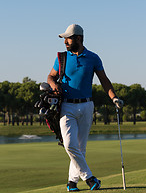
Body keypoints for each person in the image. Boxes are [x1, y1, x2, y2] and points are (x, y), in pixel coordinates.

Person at [47, 24, 124, 191]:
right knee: (69, 145)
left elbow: (104, 80)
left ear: (78, 38)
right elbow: (51, 76)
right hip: (67, 106)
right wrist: (53, 85)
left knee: (80, 147)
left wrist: (114, 98)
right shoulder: (62, 58)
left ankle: (72, 182)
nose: (65, 42)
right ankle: (89, 178)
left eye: (68, 38)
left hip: (87, 106)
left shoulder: (93, 58)